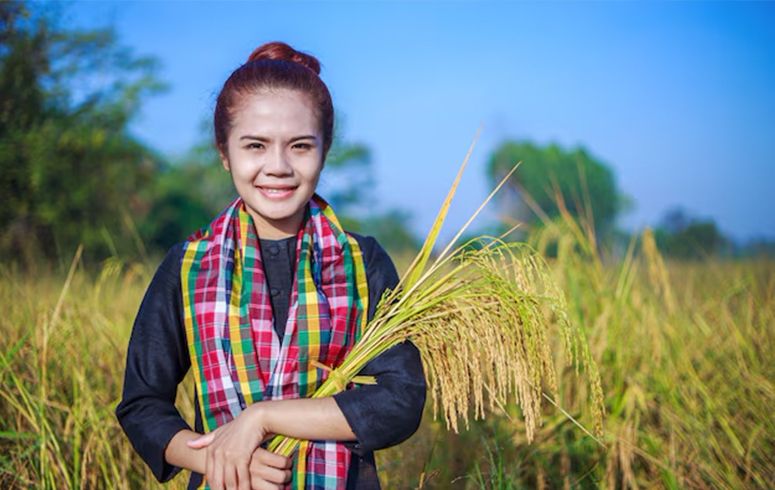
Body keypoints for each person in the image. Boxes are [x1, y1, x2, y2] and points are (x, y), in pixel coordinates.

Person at [115, 41, 427, 490]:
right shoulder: (188, 266)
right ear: (225, 152)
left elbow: (401, 399)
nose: (277, 166)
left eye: (300, 146)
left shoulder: (363, 262)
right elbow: (142, 404)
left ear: (324, 150)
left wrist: (262, 418)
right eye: (255, 146)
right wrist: (220, 460)